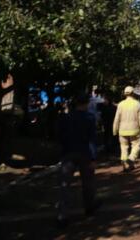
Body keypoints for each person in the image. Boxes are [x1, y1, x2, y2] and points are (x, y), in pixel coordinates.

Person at [56, 93, 100, 228]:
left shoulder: (66, 118)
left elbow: (60, 136)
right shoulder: (90, 118)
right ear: (86, 103)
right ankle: (89, 208)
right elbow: (92, 139)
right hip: (85, 154)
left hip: (68, 154)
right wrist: (93, 158)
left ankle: (63, 215)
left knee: (65, 185)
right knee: (87, 183)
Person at [112, 85, 140, 172]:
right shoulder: (137, 104)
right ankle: (131, 158)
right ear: (133, 93)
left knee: (124, 147)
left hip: (122, 131)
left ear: (124, 94)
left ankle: (125, 166)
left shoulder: (120, 104)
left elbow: (116, 119)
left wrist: (114, 130)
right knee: (136, 145)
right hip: (135, 130)